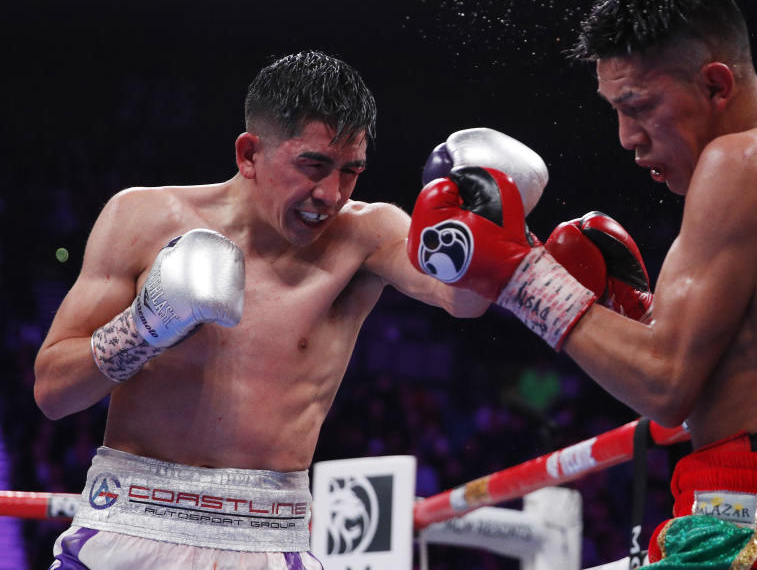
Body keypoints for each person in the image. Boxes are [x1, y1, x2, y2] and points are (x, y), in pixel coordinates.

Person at [407, 0, 757, 568]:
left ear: (717, 86)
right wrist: (635, 316)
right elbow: (728, 388)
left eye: (637, 106)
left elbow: (664, 388)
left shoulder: (740, 162)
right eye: (615, 108)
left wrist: (520, 276)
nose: (625, 136)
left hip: (751, 520)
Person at [32, 51, 542, 568]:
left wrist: (500, 218)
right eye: (313, 166)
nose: (330, 194)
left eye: (351, 172)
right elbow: (53, 392)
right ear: (249, 153)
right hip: (129, 523)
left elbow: (463, 299)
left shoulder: (366, 235)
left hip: (267, 540)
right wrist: (144, 327)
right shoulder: (142, 218)